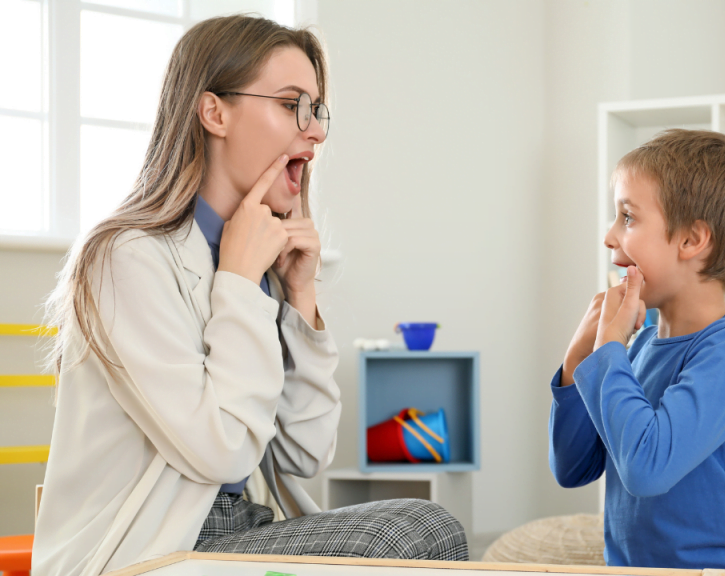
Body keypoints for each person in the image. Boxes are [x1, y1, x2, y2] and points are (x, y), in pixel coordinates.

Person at [33, 15, 466, 576]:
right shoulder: (125, 258)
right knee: (424, 533)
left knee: (432, 524)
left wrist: (300, 297)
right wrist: (237, 284)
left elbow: (305, 454)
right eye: (292, 105)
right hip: (151, 550)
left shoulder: (259, 258)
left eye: (316, 110)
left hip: (243, 528)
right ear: (215, 112)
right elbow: (225, 451)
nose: (315, 133)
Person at [549, 129, 725, 576]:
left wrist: (610, 350)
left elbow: (647, 469)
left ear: (692, 241)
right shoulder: (641, 344)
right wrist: (580, 357)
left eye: (628, 218)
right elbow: (573, 467)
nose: (609, 237)